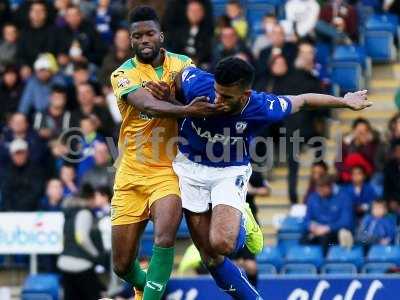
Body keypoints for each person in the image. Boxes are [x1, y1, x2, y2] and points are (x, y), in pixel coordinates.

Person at [146, 56, 371, 299]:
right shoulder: (198, 83)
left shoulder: (261, 106)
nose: (218, 100)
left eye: (227, 97)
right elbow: (179, 77)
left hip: (229, 170)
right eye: (217, 92)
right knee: (210, 257)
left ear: (245, 95)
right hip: (189, 167)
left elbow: (303, 100)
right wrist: (170, 95)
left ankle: (243, 219)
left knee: (223, 243)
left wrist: (344, 101)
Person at [109, 6, 223, 300]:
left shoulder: (183, 64)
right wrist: (185, 108)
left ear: (161, 35)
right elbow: (147, 105)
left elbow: (196, 101)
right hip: (131, 171)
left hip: (168, 169)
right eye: (137, 36)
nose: (144, 40)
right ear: (131, 40)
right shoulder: (122, 74)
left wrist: (178, 100)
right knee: (121, 265)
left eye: (149, 33)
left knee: (164, 236)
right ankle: (145, 286)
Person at [57, 185, 106, 300]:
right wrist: (95, 254)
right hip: (81, 265)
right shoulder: (85, 213)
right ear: (90, 199)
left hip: (64, 262)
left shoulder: (68, 213)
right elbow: (81, 238)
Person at [302, 175, 353, 253]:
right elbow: (306, 219)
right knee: (303, 240)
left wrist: (327, 228)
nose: (319, 193)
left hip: (334, 235)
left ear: (330, 187)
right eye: (318, 190)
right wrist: (311, 226)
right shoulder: (313, 197)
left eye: (322, 190)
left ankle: (326, 262)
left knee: (325, 240)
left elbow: (346, 221)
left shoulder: (344, 197)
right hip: (317, 231)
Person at [1, 138, 45, 211]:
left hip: (32, 209)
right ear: (11, 155)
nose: (19, 156)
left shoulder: (36, 170)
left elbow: (37, 191)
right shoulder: (6, 171)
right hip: (10, 210)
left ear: (27, 153)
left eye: (21, 153)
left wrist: (23, 206)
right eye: (16, 153)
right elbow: (5, 192)